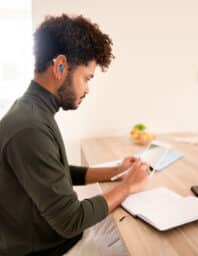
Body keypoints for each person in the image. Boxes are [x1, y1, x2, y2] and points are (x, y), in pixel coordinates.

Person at [0, 14, 149, 256]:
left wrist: (115, 174)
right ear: (60, 66)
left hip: (56, 239)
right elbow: (70, 220)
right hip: (53, 249)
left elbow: (54, 173)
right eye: (86, 78)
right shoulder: (30, 128)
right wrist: (128, 186)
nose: (88, 88)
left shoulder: (32, 111)